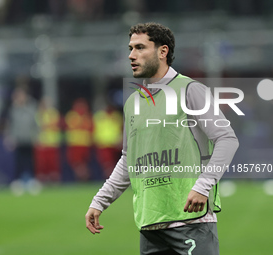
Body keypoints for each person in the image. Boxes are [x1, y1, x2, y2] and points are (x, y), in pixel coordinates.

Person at [85, 22, 239, 255]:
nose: (131, 55)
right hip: (151, 223)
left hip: (190, 221)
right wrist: (99, 201)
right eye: (130, 48)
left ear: (163, 51)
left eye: (139, 48)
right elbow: (129, 159)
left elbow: (227, 139)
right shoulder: (133, 103)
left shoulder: (191, 90)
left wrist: (203, 186)